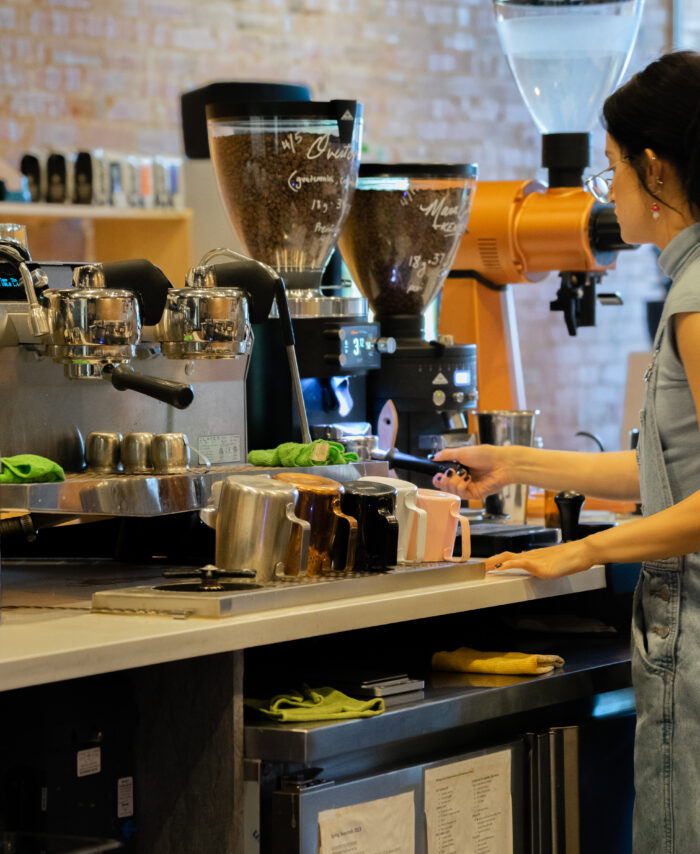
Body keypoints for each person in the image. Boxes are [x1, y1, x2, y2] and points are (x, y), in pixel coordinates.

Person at [432, 51, 700, 854]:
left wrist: (579, 552)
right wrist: (519, 464)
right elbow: (667, 470)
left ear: (654, 168)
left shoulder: (693, 297)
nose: (607, 191)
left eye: (612, 168)